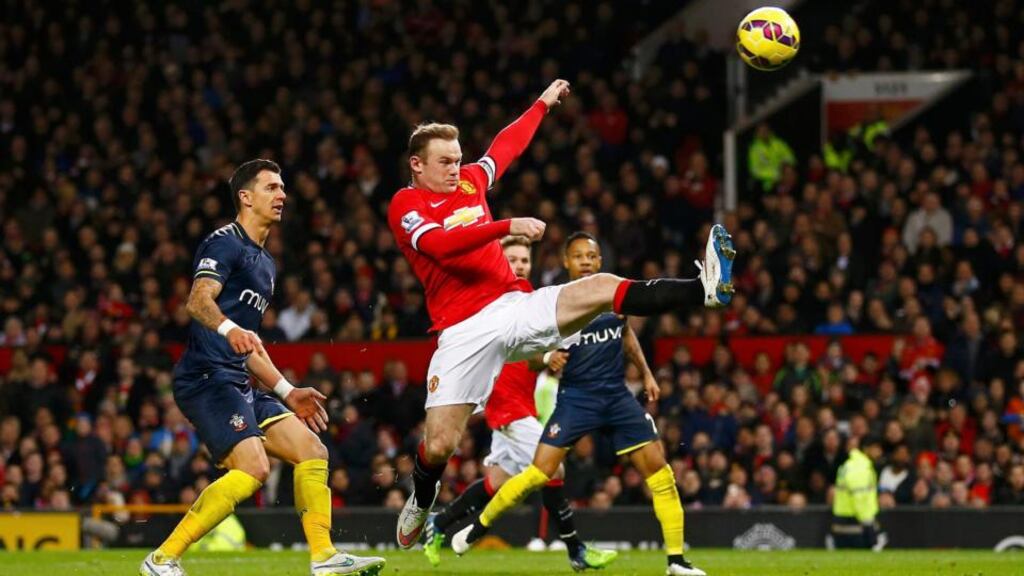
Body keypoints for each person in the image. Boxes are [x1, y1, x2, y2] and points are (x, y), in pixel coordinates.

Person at [386, 79, 735, 551]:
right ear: (417, 164)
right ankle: (422, 496)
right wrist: (506, 225)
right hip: (463, 330)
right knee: (440, 445)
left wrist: (541, 105)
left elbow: (505, 147)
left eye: (457, 158)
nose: (456, 168)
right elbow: (441, 246)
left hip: (513, 306)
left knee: (601, 287)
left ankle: (703, 289)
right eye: (445, 161)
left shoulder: (470, 180)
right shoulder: (406, 205)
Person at [141, 160, 384, 576]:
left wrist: (288, 391)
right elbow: (197, 301)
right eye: (271, 187)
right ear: (246, 197)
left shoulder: (266, 265)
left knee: (312, 450)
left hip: (237, 380)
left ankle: (324, 557)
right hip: (206, 378)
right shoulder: (224, 242)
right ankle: (162, 559)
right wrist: (229, 328)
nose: (282, 194)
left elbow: (249, 345)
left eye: (283, 187)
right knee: (254, 468)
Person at [448, 232, 706, 576]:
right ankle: (478, 528)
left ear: (599, 261)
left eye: (591, 256)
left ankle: (676, 561)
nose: (586, 261)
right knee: (539, 473)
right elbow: (527, 355)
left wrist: (646, 373)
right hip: (577, 399)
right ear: (566, 262)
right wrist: (547, 357)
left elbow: (626, 335)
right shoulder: (552, 305)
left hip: (616, 396)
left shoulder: (613, 295)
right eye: (579, 256)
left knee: (662, 475)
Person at [421, 236, 617, 571]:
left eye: (524, 260)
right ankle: (576, 549)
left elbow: (533, 353)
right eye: (512, 260)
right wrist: (547, 356)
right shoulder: (489, 300)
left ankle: (438, 524)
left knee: (498, 480)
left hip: (521, 404)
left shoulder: (527, 297)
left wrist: (552, 353)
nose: (520, 266)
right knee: (553, 468)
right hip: (507, 406)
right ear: (497, 262)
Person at [830, 435, 880, 549]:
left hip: (843, 521)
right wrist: (867, 522)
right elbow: (859, 497)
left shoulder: (850, 464)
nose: (879, 452)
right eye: (877, 448)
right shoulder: (860, 467)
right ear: (867, 448)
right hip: (855, 524)